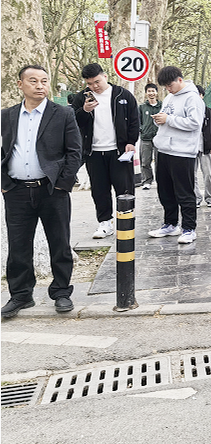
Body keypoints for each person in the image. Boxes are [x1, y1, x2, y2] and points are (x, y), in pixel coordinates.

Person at [1, 65, 82, 317]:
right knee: (18, 246)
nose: (40, 86)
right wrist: (4, 184)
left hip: (51, 190)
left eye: (44, 81)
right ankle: (21, 295)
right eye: (33, 81)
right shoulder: (7, 115)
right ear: (20, 84)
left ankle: (61, 292)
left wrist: (62, 184)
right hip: (16, 191)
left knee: (59, 243)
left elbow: (74, 152)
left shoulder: (63, 114)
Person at [73, 63, 139, 239]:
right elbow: (74, 121)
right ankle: (105, 223)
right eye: (89, 83)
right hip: (93, 152)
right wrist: (84, 111)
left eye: (97, 81)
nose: (94, 86)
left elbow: (134, 119)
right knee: (99, 190)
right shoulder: (82, 98)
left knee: (124, 189)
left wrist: (131, 142)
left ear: (105, 77)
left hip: (119, 151)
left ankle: (126, 221)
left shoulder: (122, 95)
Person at [148, 67, 204, 244]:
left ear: (180, 80)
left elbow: (195, 123)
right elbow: (167, 117)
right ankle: (170, 223)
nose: (168, 89)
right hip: (163, 149)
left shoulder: (193, 98)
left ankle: (189, 228)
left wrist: (168, 119)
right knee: (165, 191)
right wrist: (160, 120)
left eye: (170, 85)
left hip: (182, 151)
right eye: (165, 87)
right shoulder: (169, 97)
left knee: (184, 192)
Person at [194, 85, 211, 208]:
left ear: (202, 96)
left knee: (208, 174)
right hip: (191, 148)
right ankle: (196, 198)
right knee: (191, 175)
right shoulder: (188, 110)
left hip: (205, 147)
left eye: (199, 94)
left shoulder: (208, 111)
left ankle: (210, 198)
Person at [138, 83, 162, 190]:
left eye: (153, 91)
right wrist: (142, 129)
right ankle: (147, 181)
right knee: (145, 161)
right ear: (146, 93)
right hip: (146, 138)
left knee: (160, 162)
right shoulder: (142, 107)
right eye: (149, 91)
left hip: (159, 137)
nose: (151, 93)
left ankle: (161, 181)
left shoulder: (162, 106)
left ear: (156, 92)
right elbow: (138, 121)